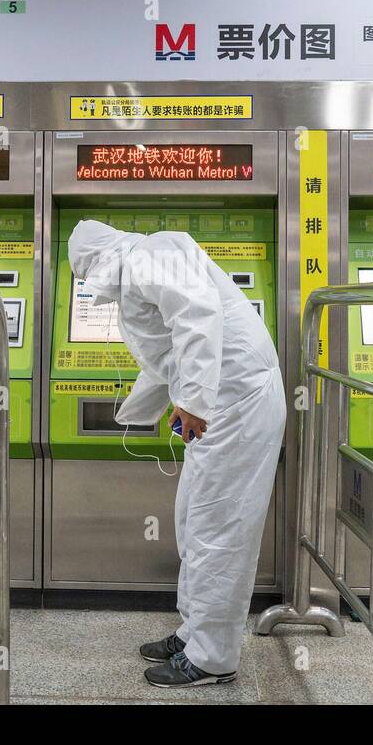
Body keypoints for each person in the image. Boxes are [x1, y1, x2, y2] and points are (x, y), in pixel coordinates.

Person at [68, 219, 286, 688]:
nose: (92, 285)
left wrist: (192, 400)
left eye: (88, 273)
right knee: (193, 520)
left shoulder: (151, 254)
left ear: (101, 259)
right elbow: (167, 351)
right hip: (223, 402)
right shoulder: (143, 266)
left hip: (238, 401)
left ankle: (212, 658)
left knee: (218, 528)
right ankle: (194, 634)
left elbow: (197, 316)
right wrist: (163, 403)